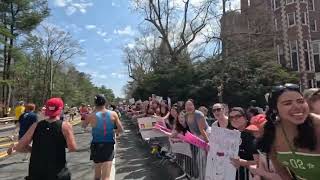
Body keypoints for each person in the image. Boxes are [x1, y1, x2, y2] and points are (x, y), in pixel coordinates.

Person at [259, 83, 320, 180]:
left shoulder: (318, 126)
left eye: (300, 101)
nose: (297, 106)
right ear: (275, 109)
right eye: (287, 103)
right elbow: (279, 167)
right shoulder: (270, 130)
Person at [7, 97, 77, 180]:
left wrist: (34, 149)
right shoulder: (65, 126)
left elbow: (20, 147)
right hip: (57, 171)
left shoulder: (36, 125)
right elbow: (72, 148)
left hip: (36, 171)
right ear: (60, 109)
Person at [86, 94, 123, 180]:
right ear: (105, 102)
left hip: (95, 144)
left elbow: (83, 126)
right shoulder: (113, 113)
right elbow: (121, 130)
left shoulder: (91, 115)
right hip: (108, 144)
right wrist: (113, 131)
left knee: (97, 175)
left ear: (95, 103)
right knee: (106, 177)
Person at [246, 114, 281, 180]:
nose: (254, 132)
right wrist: (257, 176)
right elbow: (261, 168)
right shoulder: (259, 145)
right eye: (253, 130)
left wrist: (260, 173)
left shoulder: (279, 147)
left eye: (257, 129)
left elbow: (283, 177)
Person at [229, 107, 258, 180]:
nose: (234, 119)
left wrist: (241, 162)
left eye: (237, 116)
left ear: (246, 118)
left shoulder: (253, 135)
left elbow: (258, 163)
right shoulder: (230, 134)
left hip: (250, 175)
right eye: (231, 117)